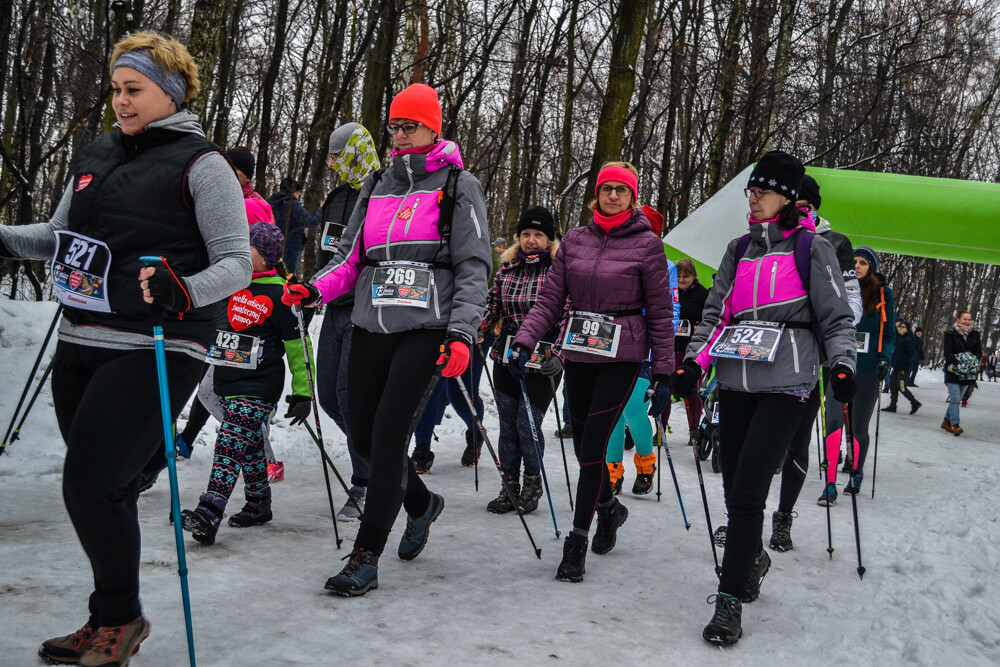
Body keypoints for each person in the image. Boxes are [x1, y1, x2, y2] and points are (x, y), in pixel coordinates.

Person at [0, 32, 251, 664]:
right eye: (115, 89)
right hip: (81, 338)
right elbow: (56, 236)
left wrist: (182, 289)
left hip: (160, 343)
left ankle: (122, 620)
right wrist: (3, 239)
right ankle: (108, 614)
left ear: (170, 92)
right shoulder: (97, 154)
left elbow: (236, 263)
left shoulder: (204, 165)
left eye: (133, 89)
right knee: (93, 485)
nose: (120, 100)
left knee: (92, 484)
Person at [282, 83, 491, 596]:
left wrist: (463, 332)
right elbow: (350, 260)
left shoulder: (459, 185)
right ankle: (421, 504)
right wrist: (313, 288)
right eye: (394, 126)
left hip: (427, 329)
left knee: (390, 434)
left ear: (433, 126)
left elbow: (473, 267)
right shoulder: (377, 182)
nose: (399, 135)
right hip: (371, 324)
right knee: (361, 435)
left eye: (410, 126)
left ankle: (365, 556)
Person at [671, 150, 856, 646]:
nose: (752, 199)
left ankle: (729, 601)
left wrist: (841, 365)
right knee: (735, 490)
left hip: (787, 385)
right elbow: (714, 315)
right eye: (750, 191)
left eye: (762, 191)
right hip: (734, 381)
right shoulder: (738, 250)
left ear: (789, 198)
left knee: (750, 490)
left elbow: (837, 318)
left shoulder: (812, 250)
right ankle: (752, 558)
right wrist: (693, 363)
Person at [510, 161, 675, 583]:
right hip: (580, 349)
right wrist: (525, 339)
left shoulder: (648, 244)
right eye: (607, 189)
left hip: (623, 353)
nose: (613, 196)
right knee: (584, 443)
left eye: (622, 190)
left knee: (593, 447)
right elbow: (550, 299)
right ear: (596, 194)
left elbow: (659, 312)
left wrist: (665, 372)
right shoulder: (576, 241)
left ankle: (576, 543)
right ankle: (609, 509)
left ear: (633, 197)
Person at [181, 222, 312, 544]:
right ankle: (258, 504)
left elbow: (299, 348)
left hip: (259, 385)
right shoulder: (230, 287)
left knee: (228, 444)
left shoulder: (284, 295)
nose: (239, 251)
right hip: (228, 381)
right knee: (249, 444)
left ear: (265, 257)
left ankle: (209, 512)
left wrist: (303, 392)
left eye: (247, 248)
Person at [313, 121, 381, 520]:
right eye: (331, 156)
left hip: (364, 311)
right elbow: (327, 252)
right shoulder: (336, 197)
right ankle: (377, 456)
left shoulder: (381, 192)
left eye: (340, 154)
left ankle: (366, 481)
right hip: (332, 307)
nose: (334, 163)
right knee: (327, 396)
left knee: (348, 395)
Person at [480, 205, 564, 513]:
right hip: (507, 355)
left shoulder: (559, 272)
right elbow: (492, 306)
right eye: (526, 234)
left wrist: (560, 354)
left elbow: (569, 316)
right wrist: (476, 327)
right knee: (508, 426)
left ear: (550, 240)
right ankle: (509, 486)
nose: (531, 240)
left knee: (527, 424)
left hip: (544, 357)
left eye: (539, 235)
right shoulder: (507, 269)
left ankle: (532, 482)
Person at [814, 247, 894, 505]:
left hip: (868, 368)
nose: (857, 266)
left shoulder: (882, 293)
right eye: (854, 262)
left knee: (858, 427)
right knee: (833, 421)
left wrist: (885, 359)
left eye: (863, 262)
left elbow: (889, 333)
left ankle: (856, 472)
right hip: (838, 364)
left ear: (872, 267)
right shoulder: (839, 287)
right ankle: (829, 484)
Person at [942, 309, 982, 435]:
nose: (967, 321)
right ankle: (955, 424)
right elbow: (947, 353)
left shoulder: (975, 334)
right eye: (965, 319)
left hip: (967, 373)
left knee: (957, 399)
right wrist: (961, 360)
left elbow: (978, 352)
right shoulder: (950, 334)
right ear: (958, 319)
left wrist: (971, 360)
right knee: (955, 399)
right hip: (953, 371)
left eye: (969, 319)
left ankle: (945, 422)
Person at [269, 177, 315, 273]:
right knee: (289, 276)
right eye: (298, 193)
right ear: (293, 192)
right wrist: (321, 210)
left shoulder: (272, 202)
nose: (298, 196)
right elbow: (311, 222)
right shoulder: (293, 204)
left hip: (273, 244)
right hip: (291, 247)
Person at [882, 318, 920, 415]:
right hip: (897, 367)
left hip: (904, 368)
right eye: (899, 327)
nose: (900, 329)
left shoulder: (909, 339)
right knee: (892, 385)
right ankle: (892, 405)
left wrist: (903, 361)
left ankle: (914, 402)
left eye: (902, 327)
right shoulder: (900, 338)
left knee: (901, 386)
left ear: (907, 329)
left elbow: (912, 354)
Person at [227, 146, 273, 221]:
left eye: (234, 169)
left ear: (248, 177)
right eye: (226, 167)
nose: (228, 172)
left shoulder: (251, 207)